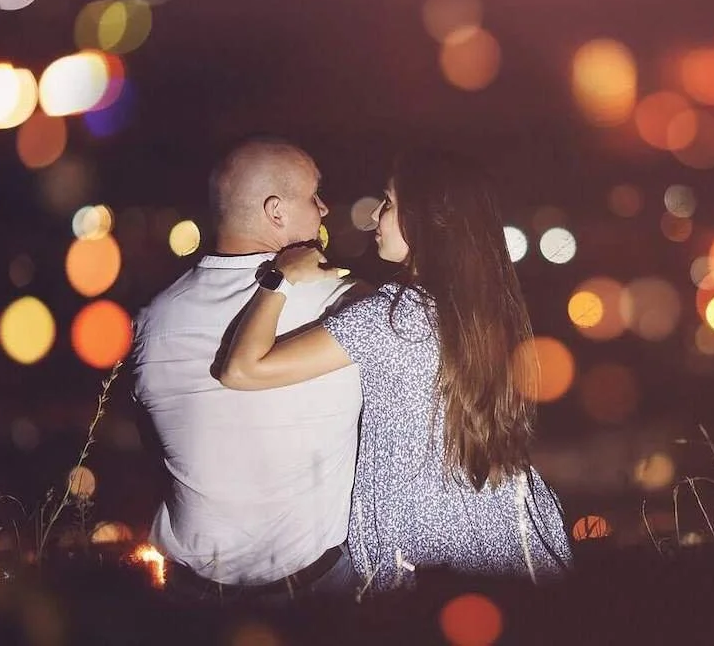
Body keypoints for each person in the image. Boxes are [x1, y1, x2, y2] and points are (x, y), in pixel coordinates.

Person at [215, 149, 573, 593]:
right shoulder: (478, 312)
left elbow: (242, 370)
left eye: (387, 203)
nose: (375, 219)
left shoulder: (388, 320)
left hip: (424, 555)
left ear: (423, 219)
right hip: (509, 531)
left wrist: (279, 279)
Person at [130, 138, 362, 605]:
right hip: (312, 597)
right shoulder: (340, 303)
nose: (324, 207)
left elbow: (155, 444)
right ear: (275, 212)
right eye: (314, 195)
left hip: (186, 598)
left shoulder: (153, 320)